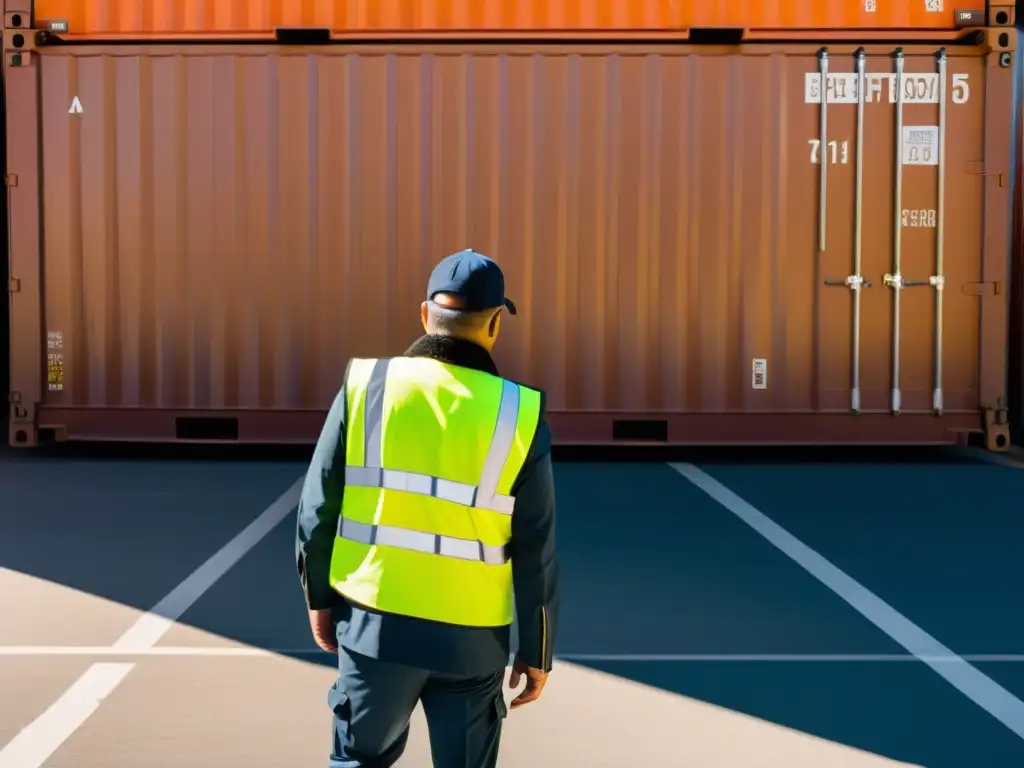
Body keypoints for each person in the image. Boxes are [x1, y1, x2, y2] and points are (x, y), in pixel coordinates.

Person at [295, 248, 560, 768]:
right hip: (472, 643)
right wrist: (537, 650)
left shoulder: (366, 388)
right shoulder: (518, 414)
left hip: (375, 628)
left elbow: (317, 507)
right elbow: (537, 548)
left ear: (425, 314)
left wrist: (319, 597)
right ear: (495, 325)